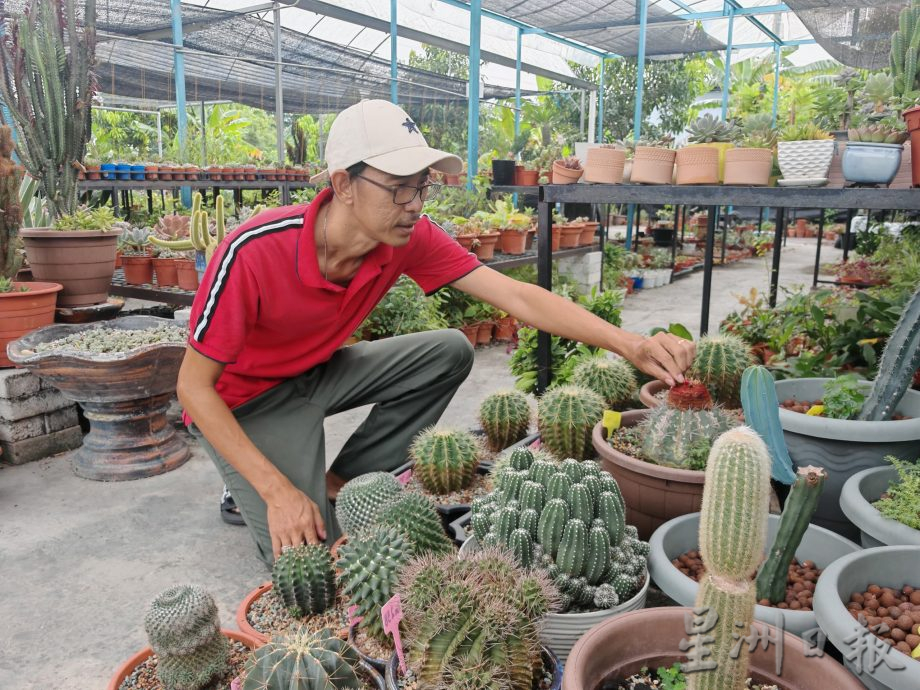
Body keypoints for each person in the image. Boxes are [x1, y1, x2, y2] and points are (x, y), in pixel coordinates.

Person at [178, 99, 695, 567]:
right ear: (342, 185)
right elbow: (193, 389)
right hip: (246, 404)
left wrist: (633, 344)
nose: (415, 204)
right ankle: (259, 477)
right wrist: (276, 491)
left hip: (315, 374)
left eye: (422, 185)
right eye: (400, 186)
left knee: (447, 350)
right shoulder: (253, 250)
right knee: (315, 562)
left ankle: (348, 481)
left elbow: (516, 297)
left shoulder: (407, 238)